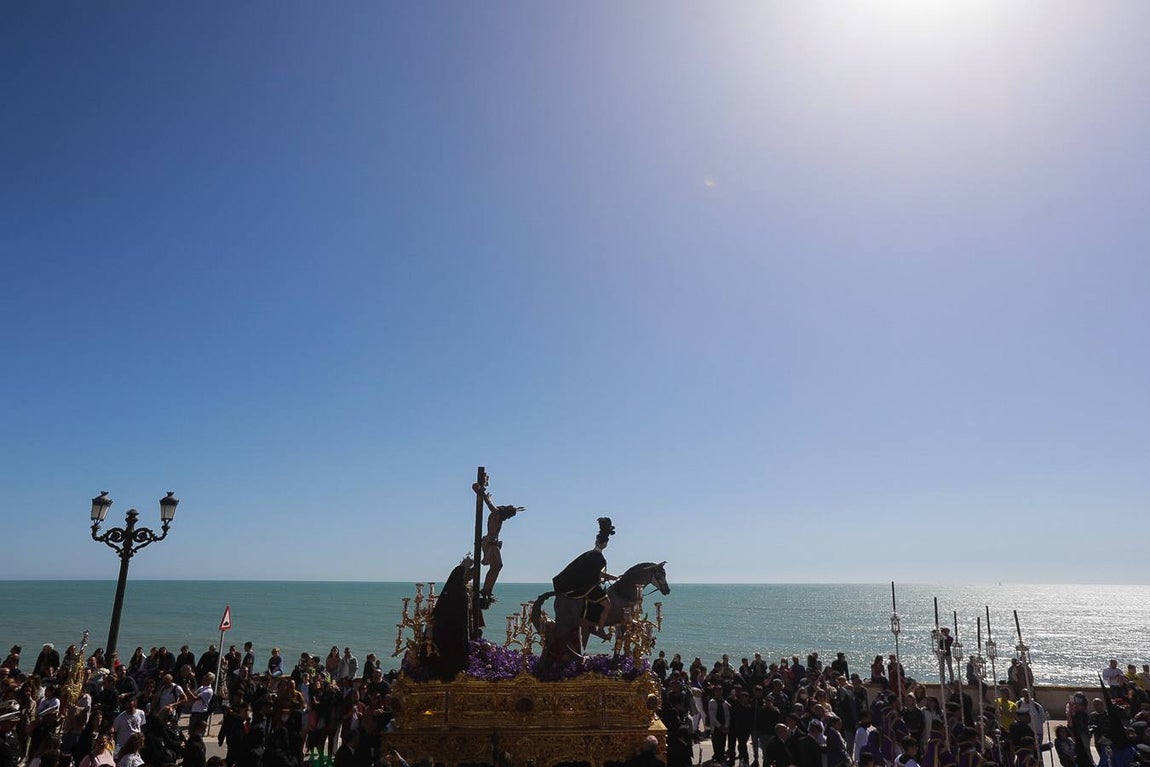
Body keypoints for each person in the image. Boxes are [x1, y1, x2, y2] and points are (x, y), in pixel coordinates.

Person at [551, 516, 617, 639]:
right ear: (605, 544)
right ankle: (600, 630)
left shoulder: (588, 554)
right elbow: (595, 575)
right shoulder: (600, 559)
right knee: (607, 605)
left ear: (596, 542)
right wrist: (604, 578)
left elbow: (592, 573)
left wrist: (611, 577)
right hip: (588, 587)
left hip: (583, 585)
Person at [475, 483, 523, 607]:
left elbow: (492, 504)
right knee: (496, 565)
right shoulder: (496, 514)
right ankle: (486, 589)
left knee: (497, 566)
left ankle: (487, 589)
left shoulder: (499, 516)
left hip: (493, 543)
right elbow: (490, 505)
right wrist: (483, 493)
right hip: (490, 543)